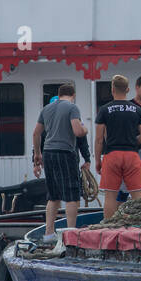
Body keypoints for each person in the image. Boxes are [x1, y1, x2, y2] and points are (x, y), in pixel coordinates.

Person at [32, 82, 87, 249]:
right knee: (71, 194)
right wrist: (85, 130)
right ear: (73, 95)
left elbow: (36, 133)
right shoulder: (72, 108)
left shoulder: (46, 109)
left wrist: (37, 154)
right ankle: (70, 233)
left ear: (59, 94)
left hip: (48, 152)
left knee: (53, 195)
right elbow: (77, 132)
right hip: (65, 152)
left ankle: (49, 233)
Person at [95, 75, 141, 219]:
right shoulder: (137, 110)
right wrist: (131, 141)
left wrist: (97, 161)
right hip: (131, 155)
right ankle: (140, 229)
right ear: (128, 90)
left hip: (112, 155)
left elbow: (99, 139)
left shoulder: (104, 110)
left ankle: (108, 228)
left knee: (111, 196)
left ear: (112, 89)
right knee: (138, 195)